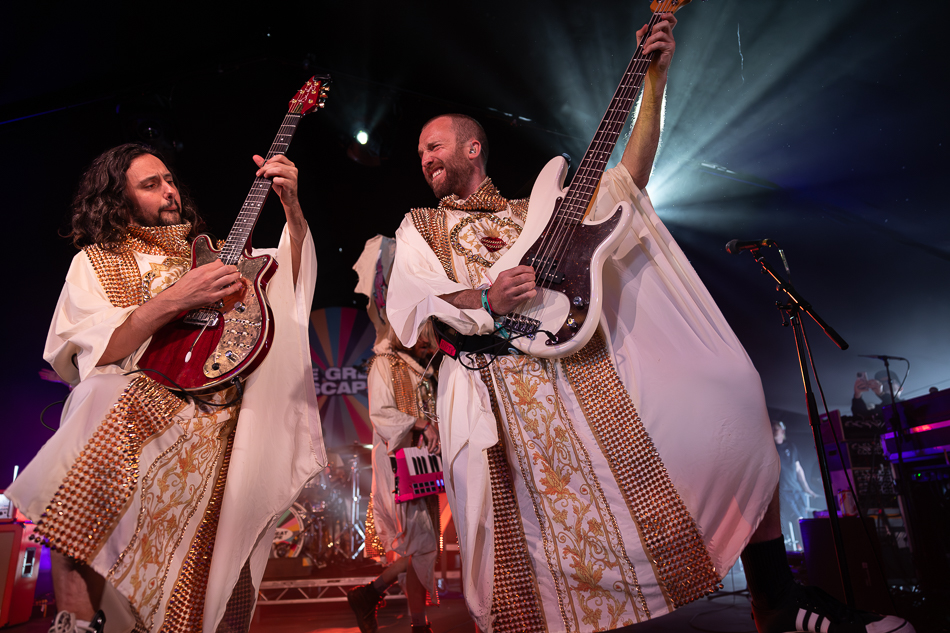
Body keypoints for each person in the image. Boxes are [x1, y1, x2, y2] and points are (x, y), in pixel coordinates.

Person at [384, 14, 914, 633]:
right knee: (510, 558)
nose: (424, 159)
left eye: (433, 146)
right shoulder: (419, 225)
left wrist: (654, 82)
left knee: (732, 398)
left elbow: (626, 182)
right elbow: (416, 300)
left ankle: (777, 598)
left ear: (472, 148)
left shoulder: (538, 208)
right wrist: (486, 294)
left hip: (576, 375)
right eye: (421, 153)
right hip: (491, 395)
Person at [5, 143, 325, 633]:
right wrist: (177, 298)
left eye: (170, 180)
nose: (169, 191)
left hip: (222, 419)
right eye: (151, 185)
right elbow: (96, 352)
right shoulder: (95, 263)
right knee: (90, 418)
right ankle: (76, 620)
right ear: (119, 199)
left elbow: (289, 290)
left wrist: (292, 209)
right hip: (135, 410)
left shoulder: (217, 255)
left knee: (219, 577)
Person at [347, 236, 443, 633]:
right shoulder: (384, 364)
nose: (426, 338)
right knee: (421, 546)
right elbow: (381, 414)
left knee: (422, 546)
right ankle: (372, 594)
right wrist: (421, 424)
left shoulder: (424, 370)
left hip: (422, 469)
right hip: (398, 468)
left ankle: (415, 621)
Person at [773, 421, 819, 550]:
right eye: (771, 428)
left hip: (797, 491)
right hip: (783, 493)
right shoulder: (769, 449)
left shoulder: (791, 447)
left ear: (782, 431)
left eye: (775, 428)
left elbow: (798, 469)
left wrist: (807, 489)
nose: (773, 431)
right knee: (798, 519)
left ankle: (810, 546)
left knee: (805, 519)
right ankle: (807, 547)